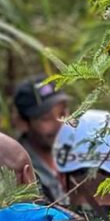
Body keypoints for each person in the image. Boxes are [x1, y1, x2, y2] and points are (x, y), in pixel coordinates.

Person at [13, 74, 69, 205]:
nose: (60, 123)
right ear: (22, 123)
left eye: (62, 114)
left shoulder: (80, 153)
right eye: (46, 118)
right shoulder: (19, 175)